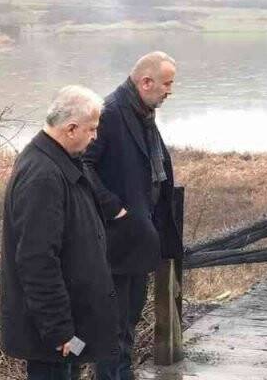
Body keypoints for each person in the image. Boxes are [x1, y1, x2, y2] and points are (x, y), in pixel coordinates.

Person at [0, 85, 120, 380]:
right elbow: (36, 260)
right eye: (92, 129)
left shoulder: (60, 161)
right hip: (54, 336)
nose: (95, 136)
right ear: (71, 128)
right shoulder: (42, 175)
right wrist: (59, 331)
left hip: (70, 324)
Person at [85, 52, 183, 380]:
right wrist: (112, 206)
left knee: (128, 321)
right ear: (146, 82)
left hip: (139, 237)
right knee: (113, 325)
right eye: (167, 83)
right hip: (116, 239)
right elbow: (82, 164)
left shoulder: (143, 113)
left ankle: (122, 375)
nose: (170, 91)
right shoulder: (110, 112)